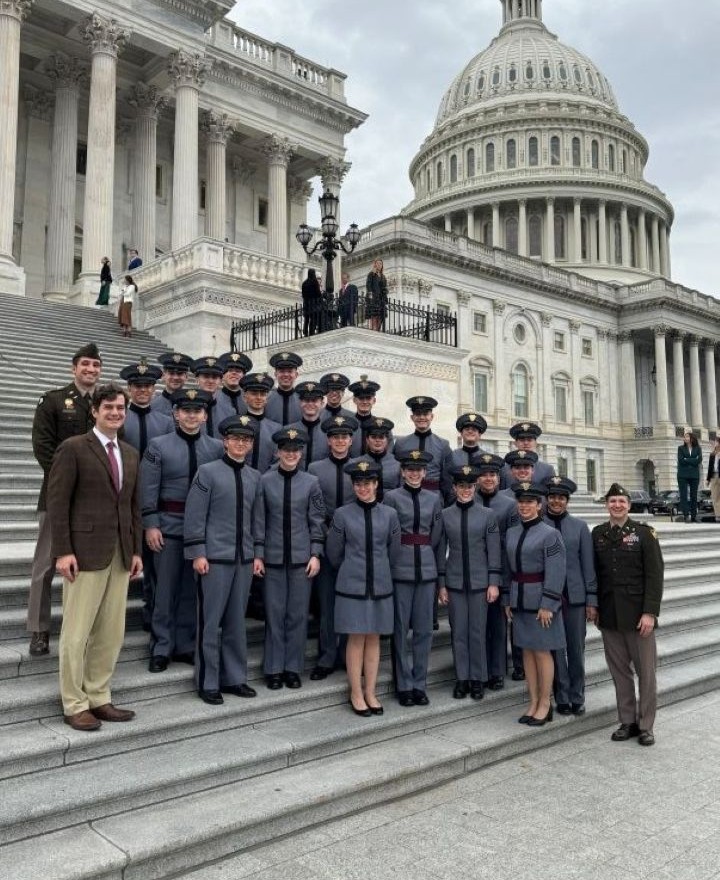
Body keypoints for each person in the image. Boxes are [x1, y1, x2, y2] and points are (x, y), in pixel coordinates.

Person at [47, 382, 142, 731]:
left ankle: (99, 696)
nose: (115, 413)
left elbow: (133, 506)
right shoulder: (73, 448)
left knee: (111, 632)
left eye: (120, 408)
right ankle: (74, 703)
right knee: (76, 632)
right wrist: (63, 551)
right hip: (84, 553)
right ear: (95, 411)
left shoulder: (130, 453)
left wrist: (135, 550)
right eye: (108, 408)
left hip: (120, 553)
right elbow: (58, 504)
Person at [27, 343, 102, 656]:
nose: (90, 369)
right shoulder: (54, 401)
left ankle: (81, 629)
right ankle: (39, 629)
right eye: (85, 364)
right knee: (45, 565)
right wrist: (68, 481)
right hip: (56, 496)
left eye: (95, 365)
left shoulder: (105, 403)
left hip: (92, 502)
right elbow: (42, 447)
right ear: (74, 368)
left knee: (87, 567)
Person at [141, 389, 224, 672]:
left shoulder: (216, 448)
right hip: (168, 526)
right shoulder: (158, 445)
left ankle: (186, 644)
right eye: (185, 411)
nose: (191, 416)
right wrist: (151, 524)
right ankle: (161, 646)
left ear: (205, 415)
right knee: (164, 589)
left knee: (191, 589)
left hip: (201, 532)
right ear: (176, 414)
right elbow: (148, 488)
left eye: (197, 411)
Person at [184, 416, 263, 705]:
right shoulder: (207, 472)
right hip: (214, 559)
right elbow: (195, 515)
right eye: (235, 438)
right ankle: (207, 681)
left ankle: (234, 678)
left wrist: (258, 554)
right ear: (225, 441)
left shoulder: (255, 477)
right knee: (210, 622)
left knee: (236, 622)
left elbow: (257, 520)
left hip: (244, 558)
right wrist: (198, 552)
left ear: (251, 445)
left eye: (246, 439)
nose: (241, 443)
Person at [326, 461, 401, 716]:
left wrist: (380, 569)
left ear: (376, 484)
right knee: (356, 638)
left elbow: (393, 551)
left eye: (368, 483)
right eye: (358, 484)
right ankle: (356, 692)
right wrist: (352, 568)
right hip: (352, 585)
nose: (363, 488)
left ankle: (371, 691)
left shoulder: (389, 514)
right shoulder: (342, 514)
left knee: (374, 638)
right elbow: (334, 552)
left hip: (380, 584)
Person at [592, 483, 664, 746]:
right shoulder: (598, 534)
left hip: (638, 616)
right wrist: (594, 606)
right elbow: (595, 574)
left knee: (646, 673)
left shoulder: (644, 533)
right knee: (619, 672)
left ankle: (646, 725)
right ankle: (628, 721)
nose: (617, 505)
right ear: (606, 505)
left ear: (629, 505)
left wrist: (650, 612)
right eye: (612, 501)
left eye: (621, 501)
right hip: (609, 614)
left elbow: (655, 575)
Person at [254, 427, 325, 689]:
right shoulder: (265, 481)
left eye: (295, 450)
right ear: (278, 452)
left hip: (301, 559)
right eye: (286, 450)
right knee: (274, 614)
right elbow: (259, 520)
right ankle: (273, 668)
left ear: (301, 453)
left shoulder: (311, 482)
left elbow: (317, 521)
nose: (291, 454)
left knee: (297, 615)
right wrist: (258, 554)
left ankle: (293, 668)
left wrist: (315, 553)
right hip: (272, 557)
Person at [504, 481, 566, 726]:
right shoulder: (512, 532)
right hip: (519, 600)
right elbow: (508, 569)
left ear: (539, 505)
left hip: (541, 602)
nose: (524, 506)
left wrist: (548, 603)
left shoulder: (550, 534)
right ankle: (532, 701)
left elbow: (556, 571)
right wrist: (507, 599)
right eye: (521, 502)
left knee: (542, 652)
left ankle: (545, 703)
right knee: (527, 652)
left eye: (530, 502)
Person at [384, 451, 444, 707]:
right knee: (399, 630)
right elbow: (388, 534)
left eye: (419, 469)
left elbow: (437, 536)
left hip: (427, 570)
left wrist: (438, 573)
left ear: (425, 472)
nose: (414, 473)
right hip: (401, 569)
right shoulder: (392, 497)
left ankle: (419, 683)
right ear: (402, 471)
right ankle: (403, 684)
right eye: (410, 469)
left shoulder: (434, 499)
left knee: (423, 630)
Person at [438, 465, 502, 700]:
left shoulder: (487, 515)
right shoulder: (445, 515)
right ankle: (462, 678)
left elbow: (493, 550)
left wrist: (493, 582)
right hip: (455, 582)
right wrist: (441, 583)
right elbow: (440, 550)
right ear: (454, 488)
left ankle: (478, 678)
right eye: (461, 486)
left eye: (470, 486)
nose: (466, 490)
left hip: (480, 582)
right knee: (458, 632)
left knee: (477, 631)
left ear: (475, 488)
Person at [119, 360, 174, 631]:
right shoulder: (120, 419)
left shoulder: (165, 422)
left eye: (148, 385)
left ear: (155, 388)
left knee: (153, 561)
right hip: (122, 496)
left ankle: (151, 610)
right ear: (129, 389)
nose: (143, 390)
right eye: (137, 386)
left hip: (155, 500)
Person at [307, 414, 358, 679]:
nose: (340, 441)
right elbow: (313, 508)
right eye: (335, 437)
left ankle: (348, 655)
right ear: (328, 440)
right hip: (326, 540)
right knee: (326, 602)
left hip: (353, 544)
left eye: (344, 437)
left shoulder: (360, 468)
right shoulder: (315, 469)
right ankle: (326, 657)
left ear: (351, 440)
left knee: (350, 601)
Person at [544, 476, 597, 716]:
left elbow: (588, 565)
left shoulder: (579, 527)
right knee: (555, 649)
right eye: (553, 497)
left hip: (574, 597)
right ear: (547, 499)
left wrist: (591, 600)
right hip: (549, 599)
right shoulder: (539, 524)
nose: (557, 501)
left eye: (561, 498)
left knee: (576, 649)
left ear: (567, 501)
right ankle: (561, 696)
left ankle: (577, 695)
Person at [474, 453, 519, 690]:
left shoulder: (509, 505)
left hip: (500, 570)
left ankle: (497, 671)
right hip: (475, 571)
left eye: (492, 474)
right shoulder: (469, 500)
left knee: (497, 625)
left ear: (499, 478)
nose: (488, 478)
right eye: (483, 474)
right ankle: (480, 669)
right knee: (478, 626)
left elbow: (512, 542)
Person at [393, 396, 454, 502]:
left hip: (433, 497)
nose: (421, 417)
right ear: (412, 417)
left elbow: (447, 478)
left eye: (425, 414)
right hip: (405, 498)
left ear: (432, 416)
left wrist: (444, 500)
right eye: (417, 414)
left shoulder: (443, 444)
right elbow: (396, 473)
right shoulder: (401, 444)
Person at [352, 417, 400, 501]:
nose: (377, 440)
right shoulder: (357, 463)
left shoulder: (397, 463)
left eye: (381, 437)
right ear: (367, 440)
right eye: (373, 437)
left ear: (387, 440)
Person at [499, 422, 556, 489]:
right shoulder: (504, 468)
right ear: (515, 443)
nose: (526, 443)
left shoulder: (547, 469)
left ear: (536, 443)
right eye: (522, 440)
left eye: (529, 440)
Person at [287, 381, 329, 469]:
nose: (310, 404)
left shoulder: (328, 432)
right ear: (300, 402)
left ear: (322, 403)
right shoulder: (288, 431)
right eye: (306, 400)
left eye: (314, 400)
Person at [265, 351, 303, 425]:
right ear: (275, 374)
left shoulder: (303, 400)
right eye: (282, 371)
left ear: (296, 375)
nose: (286, 374)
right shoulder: (266, 399)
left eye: (290, 371)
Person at [151, 352, 193, 417]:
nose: (175, 377)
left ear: (186, 377)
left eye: (179, 374)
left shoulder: (193, 406)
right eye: (171, 373)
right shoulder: (152, 406)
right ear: (163, 376)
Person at [214, 351, 252, 421]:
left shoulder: (249, 399)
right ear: (223, 375)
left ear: (243, 376)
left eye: (238, 371)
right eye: (230, 370)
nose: (234, 373)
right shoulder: (213, 399)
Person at [192, 357, 223, 438]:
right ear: (197, 380)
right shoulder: (186, 410)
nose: (210, 381)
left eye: (215, 377)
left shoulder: (229, 410)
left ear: (220, 381)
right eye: (206, 376)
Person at [677, 429, 702, 522]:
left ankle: (694, 516)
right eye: (684, 437)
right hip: (682, 475)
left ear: (692, 438)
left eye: (687, 436)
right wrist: (693, 459)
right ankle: (686, 515)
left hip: (694, 475)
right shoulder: (680, 448)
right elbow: (681, 460)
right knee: (683, 495)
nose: (685, 438)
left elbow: (699, 460)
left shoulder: (698, 448)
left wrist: (687, 459)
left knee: (694, 496)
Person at [365, 258, 388, 331]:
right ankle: (374, 330)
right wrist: (370, 295)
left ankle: (377, 330)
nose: (379, 265)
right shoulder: (371, 274)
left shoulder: (383, 276)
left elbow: (384, 287)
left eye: (380, 264)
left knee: (381, 317)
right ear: (375, 265)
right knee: (374, 315)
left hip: (381, 299)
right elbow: (368, 285)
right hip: (374, 298)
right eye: (377, 263)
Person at [301, 268, 322, 337]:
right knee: (313, 319)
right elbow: (318, 293)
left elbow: (303, 294)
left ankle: (305, 332)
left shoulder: (304, 283)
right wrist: (321, 297)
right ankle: (311, 332)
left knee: (306, 319)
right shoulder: (314, 282)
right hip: (313, 303)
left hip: (306, 303)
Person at [706, 436, 720, 523]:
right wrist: (708, 479)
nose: (714, 443)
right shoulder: (712, 455)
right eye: (714, 442)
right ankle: (718, 515)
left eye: (716, 442)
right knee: (714, 497)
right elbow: (710, 467)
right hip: (714, 477)